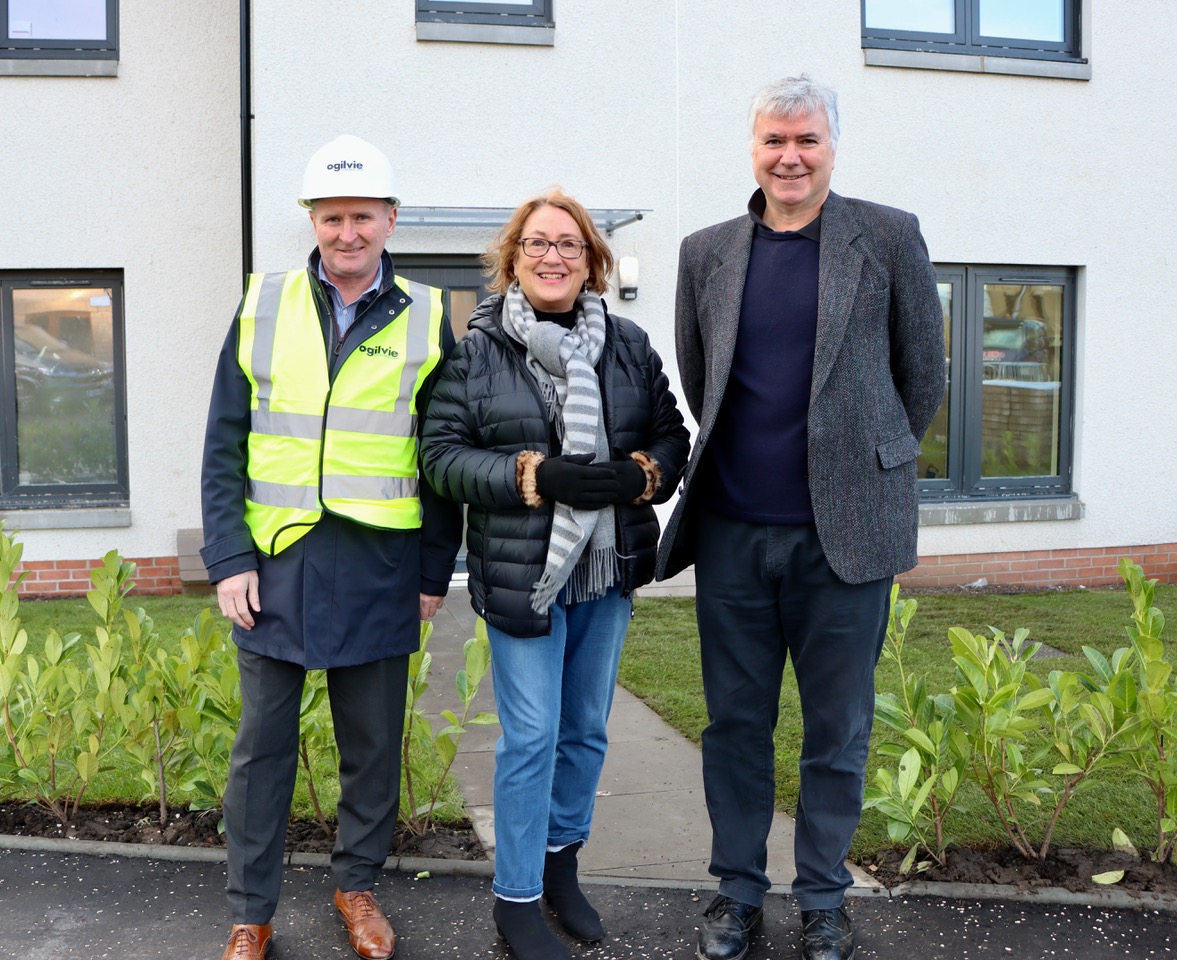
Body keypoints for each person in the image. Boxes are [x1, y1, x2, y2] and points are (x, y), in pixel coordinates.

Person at [656, 76, 946, 960]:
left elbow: (920, 376)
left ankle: (823, 896)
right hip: (734, 535)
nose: (790, 157)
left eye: (806, 141)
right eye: (774, 141)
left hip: (844, 538)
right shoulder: (706, 251)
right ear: (752, 148)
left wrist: (862, 464)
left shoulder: (888, 237)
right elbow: (701, 374)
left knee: (838, 727)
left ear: (831, 146)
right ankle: (735, 892)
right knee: (735, 725)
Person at [200, 133, 462, 960]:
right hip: (274, 563)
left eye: (361, 217)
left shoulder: (427, 317)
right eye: (330, 217)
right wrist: (228, 558)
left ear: (389, 220)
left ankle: (356, 889)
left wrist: (432, 573)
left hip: (380, 566)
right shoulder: (262, 303)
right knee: (262, 751)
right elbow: (223, 444)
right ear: (311, 220)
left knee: (373, 749)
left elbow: (441, 458)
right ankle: (252, 912)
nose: (346, 233)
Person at [421, 188, 690, 960]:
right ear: (512, 259)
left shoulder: (631, 345)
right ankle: (515, 902)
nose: (552, 256)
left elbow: (672, 439)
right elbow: (441, 459)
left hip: (606, 571)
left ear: (592, 262)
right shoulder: (473, 352)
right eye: (537, 244)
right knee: (532, 737)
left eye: (569, 245)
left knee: (585, 733)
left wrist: (634, 476)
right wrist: (536, 476)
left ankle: (560, 869)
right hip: (522, 576)